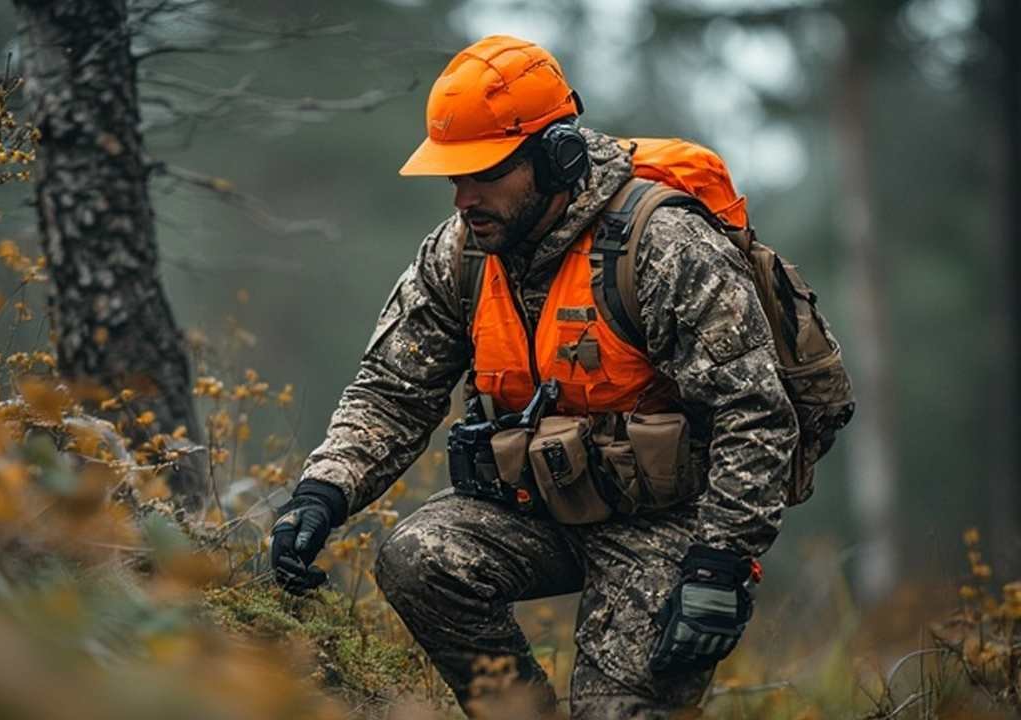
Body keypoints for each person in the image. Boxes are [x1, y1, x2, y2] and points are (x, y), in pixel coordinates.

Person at [269, 35, 807, 719]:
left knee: (614, 713)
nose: (464, 198)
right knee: (418, 557)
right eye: (453, 177)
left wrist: (721, 566)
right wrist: (321, 493)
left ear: (558, 158)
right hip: (540, 506)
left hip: (671, 524)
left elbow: (755, 414)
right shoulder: (461, 253)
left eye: (485, 173)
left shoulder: (663, 246)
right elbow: (392, 390)